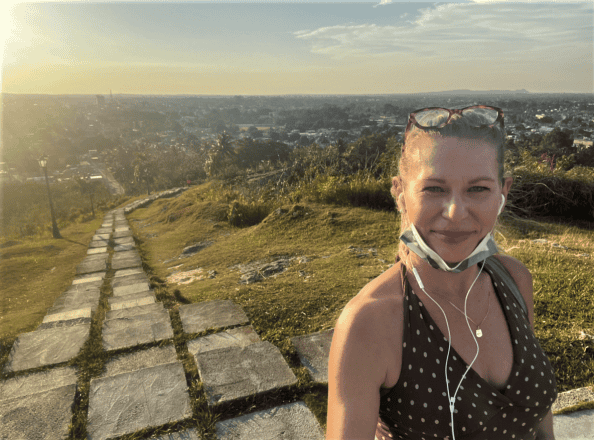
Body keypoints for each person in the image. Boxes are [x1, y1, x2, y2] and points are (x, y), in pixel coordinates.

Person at [326, 106, 557, 440]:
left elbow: (538, 417)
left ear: (503, 192)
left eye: (478, 189)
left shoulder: (515, 280)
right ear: (400, 193)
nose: (455, 213)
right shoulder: (371, 323)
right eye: (434, 189)